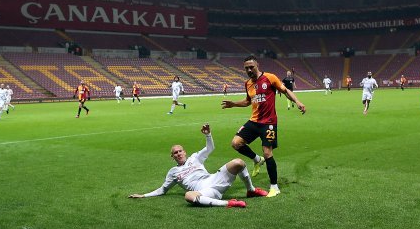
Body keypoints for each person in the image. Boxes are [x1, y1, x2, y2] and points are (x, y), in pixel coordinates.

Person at [221, 55, 306, 198]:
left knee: (267, 153)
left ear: (257, 65)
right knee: (236, 143)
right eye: (246, 68)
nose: (249, 70)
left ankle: (274, 187)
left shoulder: (270, 77)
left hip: (268, 123)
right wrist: (234, 104)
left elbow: (285, 91)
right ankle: (256, 159)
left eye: (251, 67)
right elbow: (248, 101)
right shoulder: (247, 83)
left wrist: (297, 101)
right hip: (254, 121)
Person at [128, 123, 267, 207]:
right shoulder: (173, 172)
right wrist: (144, 195)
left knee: (239, 163)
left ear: (185, 152)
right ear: (172, 157)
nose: (178, 153)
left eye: (180, 151)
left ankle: (251, 190)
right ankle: (228, 203)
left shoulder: (195, 158)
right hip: (205, 191)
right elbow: (162, 190)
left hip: (213, 179)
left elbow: (210, 148)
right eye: (175, 153)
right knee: (188, 196)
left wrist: (208, 135)